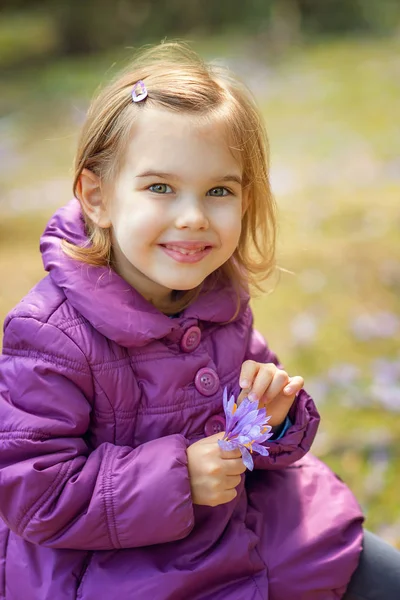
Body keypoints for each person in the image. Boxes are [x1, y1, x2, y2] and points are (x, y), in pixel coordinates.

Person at [0, 41, 398, 600]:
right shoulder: (49, 333)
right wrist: (178, 479)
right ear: (97, 197)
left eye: (218, 191)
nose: (192, 217)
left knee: (380, 572)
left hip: (251, 531)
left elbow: (258, 439)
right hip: (115, 567)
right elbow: (32, 492)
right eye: (160, 187)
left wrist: (274, 421)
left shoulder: (220, 302)